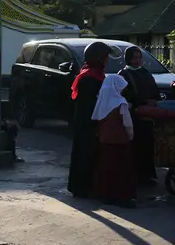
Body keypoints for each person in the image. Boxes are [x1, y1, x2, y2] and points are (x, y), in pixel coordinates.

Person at [68, 42, 113, 199]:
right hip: (87, 122)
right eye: (105, 58)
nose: (107, 61)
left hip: (90, 121)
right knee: (85, 154)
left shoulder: (95, 75)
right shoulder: (89, 78)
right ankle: (81, 187)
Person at [92, 74, 137, 208]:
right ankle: (122, 196)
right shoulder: (121, 103)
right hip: (120, 140)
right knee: (121, 170)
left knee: (106, 167)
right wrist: (130, 136)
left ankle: (106, 194)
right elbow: (127, 124)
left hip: (105, 139)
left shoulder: (101, 100)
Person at [119, 47, 159, 185]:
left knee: (148, 145)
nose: (138, 60)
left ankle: (147, 176)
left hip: (148, 114)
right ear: (128, 58)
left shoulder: (144, 72)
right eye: (135, 57)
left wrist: (154, 100)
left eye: (139, 57)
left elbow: (154, 89)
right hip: (134, 115)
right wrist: (142, 101)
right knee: (135, 146)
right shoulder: (124, 74)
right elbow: (126, 94)